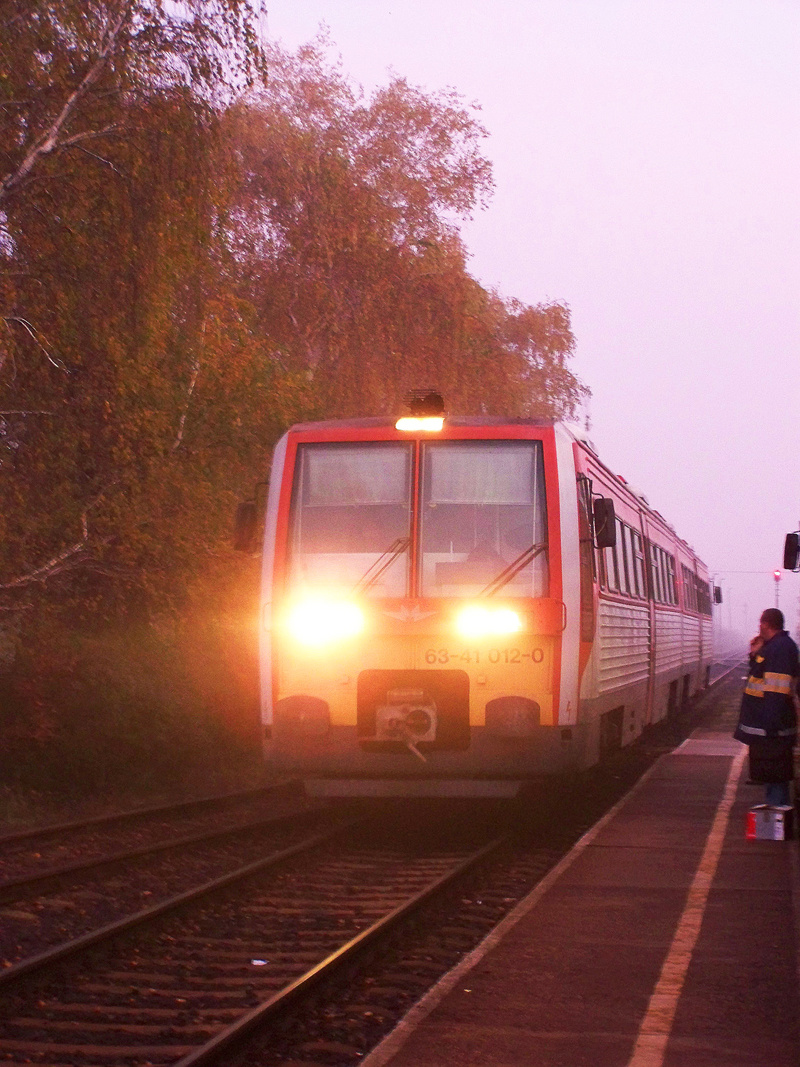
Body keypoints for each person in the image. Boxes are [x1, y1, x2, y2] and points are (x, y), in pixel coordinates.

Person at [734, 608, 799, 806]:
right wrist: (755, 654)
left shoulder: (779, 649)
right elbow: (762, 675)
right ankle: (777, 816)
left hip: (773, 727)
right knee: (772, 775)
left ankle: (778, 817)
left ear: (765, 624)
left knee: (776, 773)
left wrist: (770, 726)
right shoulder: (775, 647)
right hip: (770, 725)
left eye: (760, 623)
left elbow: (775, 690)